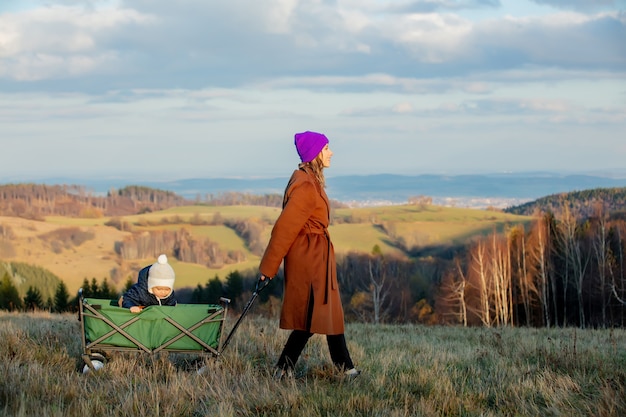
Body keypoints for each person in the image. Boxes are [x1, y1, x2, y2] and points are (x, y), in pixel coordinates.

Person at [259, 130, 360, 378]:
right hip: (309, 259)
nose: (331, 152)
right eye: (326, 148)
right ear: (315, 154)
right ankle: (342, 369)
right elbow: (284, 229)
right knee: (318, 312)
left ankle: (290, 369)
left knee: (322, 313)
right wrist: (267, 269)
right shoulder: (305, 185)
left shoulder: (311, 180)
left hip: (317, 257)